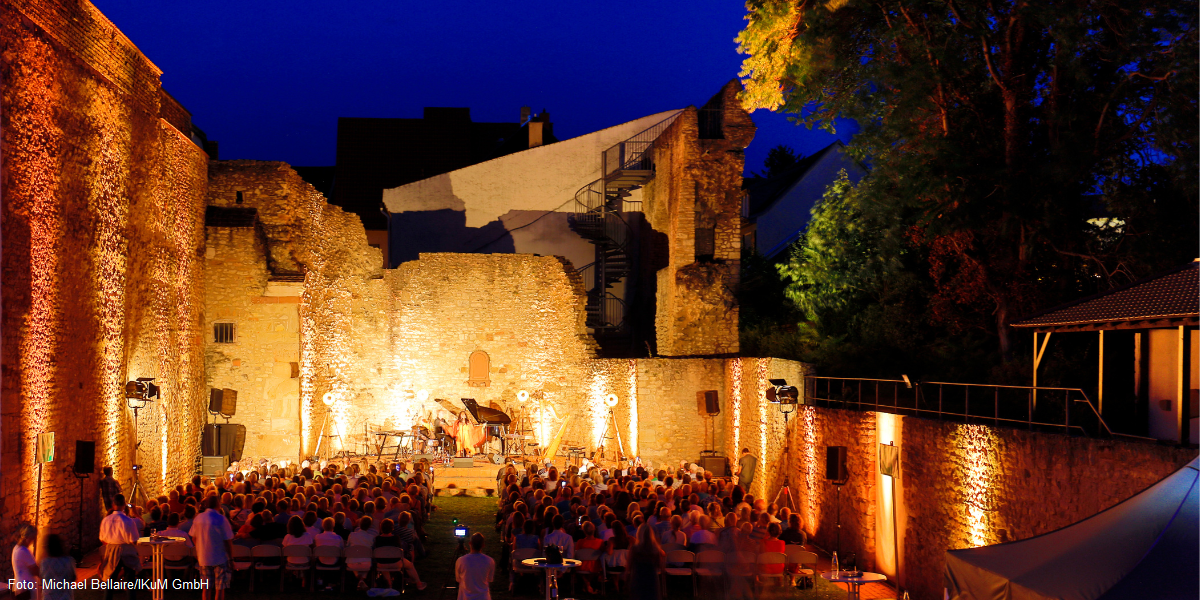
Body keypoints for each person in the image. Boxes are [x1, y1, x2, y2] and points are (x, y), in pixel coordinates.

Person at [190, 496, 235, 600]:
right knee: (220, 588)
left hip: (204, 558)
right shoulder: (221, 519)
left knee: (206, 588)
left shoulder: (199, 518)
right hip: (220, 557)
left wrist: (200, 549)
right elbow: (228, 540)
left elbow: (194, 537)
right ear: (218, 504)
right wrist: (231, 559)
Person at [99, 494, 140, 600]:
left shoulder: (105, 520)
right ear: (124, 505)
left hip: (112, 549)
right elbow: (134, 540)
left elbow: (102, 538)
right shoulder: (128, 521)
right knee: (130, 580)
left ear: (113, 504)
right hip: (127, 550)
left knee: (110, 580)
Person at [627, 524, 665, 600]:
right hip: (652, 578)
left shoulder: (634, 549)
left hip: (638, 577)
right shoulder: (655, 549)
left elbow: (629, 565)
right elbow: (660, 565)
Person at [454, 532, 494, 600]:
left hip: (466, 597)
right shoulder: (489, 561)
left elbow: (458, 579)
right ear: (483, 545)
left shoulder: (461, 560)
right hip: (483, 597)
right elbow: (489, 579)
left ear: (470, 543)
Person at [40, 534, 76, 600]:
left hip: (49, 596)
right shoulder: (69, 561)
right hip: (65, 596)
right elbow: (73, 577)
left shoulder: (44, 562)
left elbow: (42, 578)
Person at [11, 523, 38, 600]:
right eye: (32, 538)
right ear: (27, 537)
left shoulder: (16, 548)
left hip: (20, 587)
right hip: (25, 589)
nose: (33, 540)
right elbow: (35, 570)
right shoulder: (24, 551)